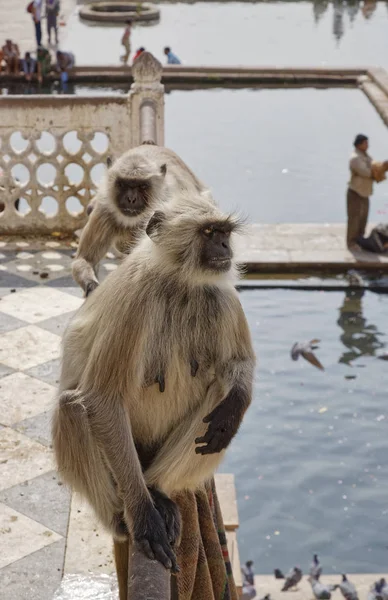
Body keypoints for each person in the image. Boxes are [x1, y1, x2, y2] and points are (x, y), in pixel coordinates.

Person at [347, 134, 388, 250]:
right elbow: (366, 172)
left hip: (365, 193)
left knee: (362, 219)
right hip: (356, 193)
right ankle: (351, 243)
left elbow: (374, 165)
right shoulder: (355, 158)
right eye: (365, 143)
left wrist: (382, 166)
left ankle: (359, 241)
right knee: (354, 219)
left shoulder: (365, 156)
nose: (367, 145)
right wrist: (380, 169)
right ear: (359, 144)